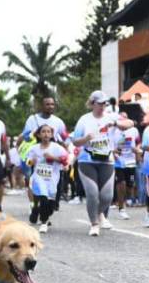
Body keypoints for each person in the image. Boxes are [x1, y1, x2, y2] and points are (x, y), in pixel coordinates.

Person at [70, 90, 119, 237]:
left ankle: (99, 214)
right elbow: (74, 141)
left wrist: (116, 123)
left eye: (105, 103)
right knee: (92, 194)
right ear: (92, 104)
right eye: (100, 103)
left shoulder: (110, 117)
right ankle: (94, 224)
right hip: (87, 160)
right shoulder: (84, 120)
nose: (103, 106)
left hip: (106, 161)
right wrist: (85, 139)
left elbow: (129, 123)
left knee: (107, 197)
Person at [25, 124, 68, 233]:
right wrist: (32, 162)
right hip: (38, 178)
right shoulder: (34, 148)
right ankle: (44, 222)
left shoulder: (57, 148)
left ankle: (36, 209)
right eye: (43, 132)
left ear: (52, 134)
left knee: (51, 205)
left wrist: (52, 157)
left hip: (52, 179)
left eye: (48, 132)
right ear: (39, 135)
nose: (46, 134)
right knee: (43, 198)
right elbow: (28, 162)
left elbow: (65, 161)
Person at [111, 117, 140, 220]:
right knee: (121, 183)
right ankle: (121, 208)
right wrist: (113, 152)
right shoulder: (113, 130)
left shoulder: (134, 130)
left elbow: (138, 142)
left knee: (129, 187)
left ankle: (125, 200)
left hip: (131, 162)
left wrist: (138, 153)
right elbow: (109, 144)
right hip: (118, 162)